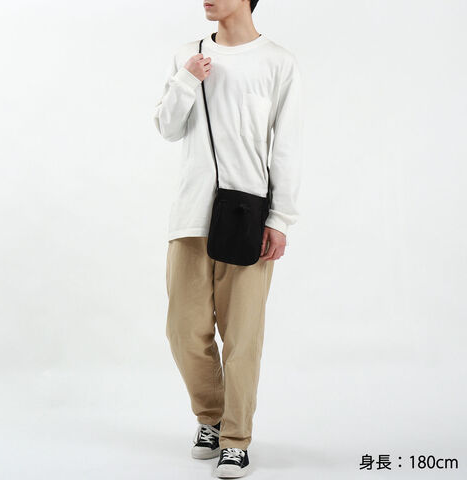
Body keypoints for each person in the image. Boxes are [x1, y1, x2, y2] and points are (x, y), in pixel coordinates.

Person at [153, 0, 302, 477]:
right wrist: (187, 79)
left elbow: (287, 146)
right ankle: (211, 418)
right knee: (183, 331)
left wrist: (280, 219)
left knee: (242, 336)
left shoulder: (278, 61)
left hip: (247, 219)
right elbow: (167, 128)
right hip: (191, 218)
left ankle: (236, 439)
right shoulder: (188, 54)